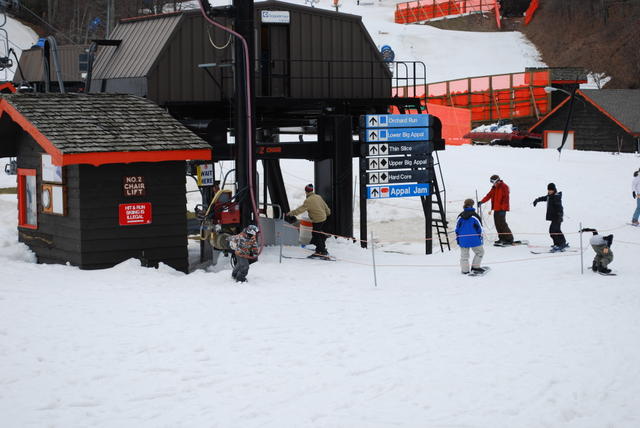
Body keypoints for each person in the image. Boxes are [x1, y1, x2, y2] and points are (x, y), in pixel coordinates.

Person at [285, 184, 331, 255]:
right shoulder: (318, 197)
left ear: (306, 191)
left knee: (315, 234)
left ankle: (322, 251)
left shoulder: (308, 201)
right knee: (318, 233)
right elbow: (325, 206)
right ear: (312, 190)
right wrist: (328, 213)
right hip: (323, 218)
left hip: (317, 220)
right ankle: (320, 248)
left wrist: (290, 213)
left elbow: (300, 210)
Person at [478, 174, 514, 245]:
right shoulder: (494, 188)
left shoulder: (504, 187)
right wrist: (482, 201)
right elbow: (489, 195)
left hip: (502, 209)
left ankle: (509, 239)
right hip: (496, 209)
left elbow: (506, 198)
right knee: (497, 224)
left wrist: (503, 209)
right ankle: (502, 238)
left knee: (502, 224)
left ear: (496, 181)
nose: (492, 183)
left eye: (492, 182)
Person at [533, 182, 568, 252]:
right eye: (548, 190)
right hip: (554, 217)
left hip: (557, 217)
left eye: (551, 190)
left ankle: (558, 244)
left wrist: (560, 215)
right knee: (557, 230)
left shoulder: (556, 197)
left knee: (552, 231)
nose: (549, 191)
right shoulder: (550, 196)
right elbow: (544, 198)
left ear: (554, 190)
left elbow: (560, 207)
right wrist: (537, 200)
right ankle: (562, 242)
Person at [455, 199, 486, 275]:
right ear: (472, 205)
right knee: (480, 252)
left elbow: (456, 229)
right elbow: (480, 228)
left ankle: (465, 270)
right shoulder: (475, 216)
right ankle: (475, 267)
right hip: (474, 238)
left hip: (463, 239)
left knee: (464, 256)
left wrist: (458, 239)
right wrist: (480, 238)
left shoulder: (460, 216)